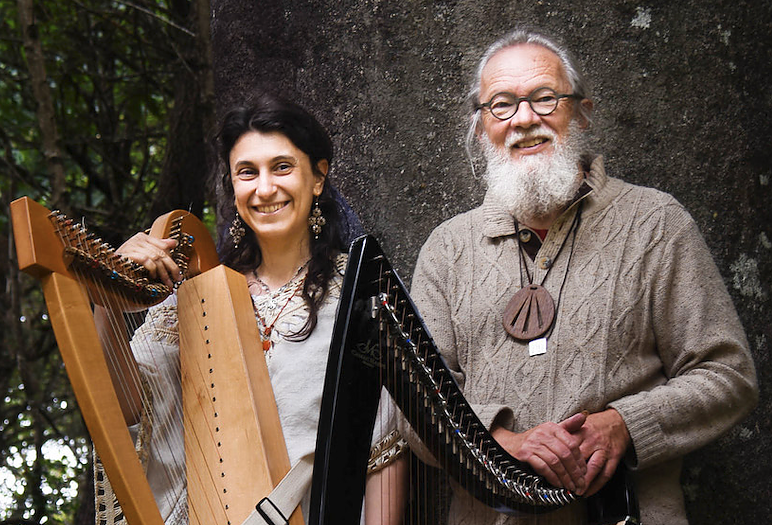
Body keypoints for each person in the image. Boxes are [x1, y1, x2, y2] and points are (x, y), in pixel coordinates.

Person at [409, 28, 758, 525]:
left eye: (545, 98)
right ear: (480, 124)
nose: (524, 119)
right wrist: (502, 440)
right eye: (502, 105)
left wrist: (623, 425)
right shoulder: (447, 247)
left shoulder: (654, 222)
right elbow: (412, 404)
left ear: (583, 111)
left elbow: (728, 375)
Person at [94, 92, 406, 525]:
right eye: (247, 172)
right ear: (233, 186)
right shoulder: (196, 300)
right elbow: (129, 412)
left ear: (318, 177)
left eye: (282, 167)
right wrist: (111, 290)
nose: (265, 188)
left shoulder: (359, 291)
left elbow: (384, 449)